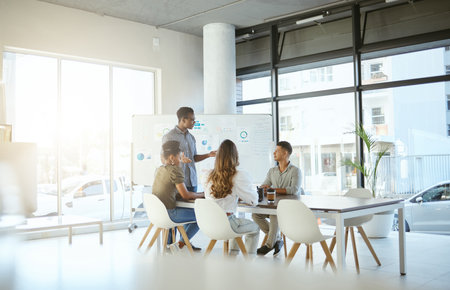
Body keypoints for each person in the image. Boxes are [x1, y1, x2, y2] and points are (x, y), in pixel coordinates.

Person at [202, 139, 260, 255]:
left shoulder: (207, 175)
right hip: (227, 224)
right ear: (235, 156)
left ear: (217, 157)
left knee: (236, 222)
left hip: (209, 224)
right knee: (255, 228)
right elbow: (253, 201)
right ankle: (249, 263)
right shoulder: (239, 175)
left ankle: (232, 258)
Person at [252, 141, 302, 257]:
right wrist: (266, 188)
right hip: (274, 207)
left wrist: (272, 189)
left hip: (290, 209)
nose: (274, 153)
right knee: (256, 214)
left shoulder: (295, 171)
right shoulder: (272, 171)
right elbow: (265, 187)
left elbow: (293, 190)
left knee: (275, 213)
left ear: (285, 153)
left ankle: (269, 245)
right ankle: (277, 239)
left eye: (277, 151)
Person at [152, 140, 204, 250]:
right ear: (172, 158)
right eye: (179, 158)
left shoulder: (159, 169)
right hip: (169, 214)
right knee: (202, 216)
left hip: (157, 214)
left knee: (193, 213)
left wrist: (199, 194)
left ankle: (174, 244)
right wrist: (203, 195)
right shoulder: (175, 171)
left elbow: (176, 192)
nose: (181, 161)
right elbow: (186, 195)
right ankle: (180, 244)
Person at [162, 106, 216, 192]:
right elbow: (164, 160)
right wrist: (180, 159)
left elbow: (193, 158)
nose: (194, 122)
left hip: (192, 182)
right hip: (178, 183)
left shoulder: (191, 138)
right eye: (192, 120)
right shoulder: (169, 137)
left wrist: (208, 155)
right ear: (183, 120)